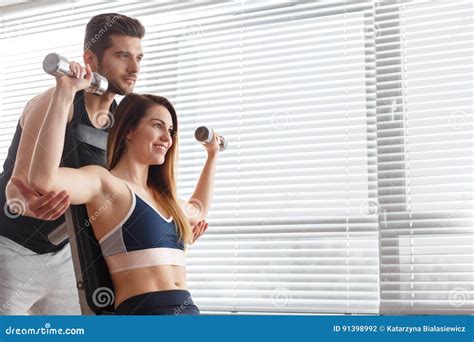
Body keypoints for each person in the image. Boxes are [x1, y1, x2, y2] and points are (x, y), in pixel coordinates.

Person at [0, 12, 207, 315]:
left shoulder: (125, 123)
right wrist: (26, 204)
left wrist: (172, 224)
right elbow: (17, 188)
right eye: (123, 55)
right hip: (13, 249)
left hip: (69, 257)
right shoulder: (54, 101)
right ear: (90, 58)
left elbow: (130, 190)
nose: (135, 67)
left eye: (139, 57)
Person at [27, 61, 219, 315]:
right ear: (129, 130)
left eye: (171, 130)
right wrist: (64, 93)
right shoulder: (105, 184)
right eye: (158, 125)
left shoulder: (165, 200)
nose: (167, 138)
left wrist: (212, 155)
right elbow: (43, 180)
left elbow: (198, 209)